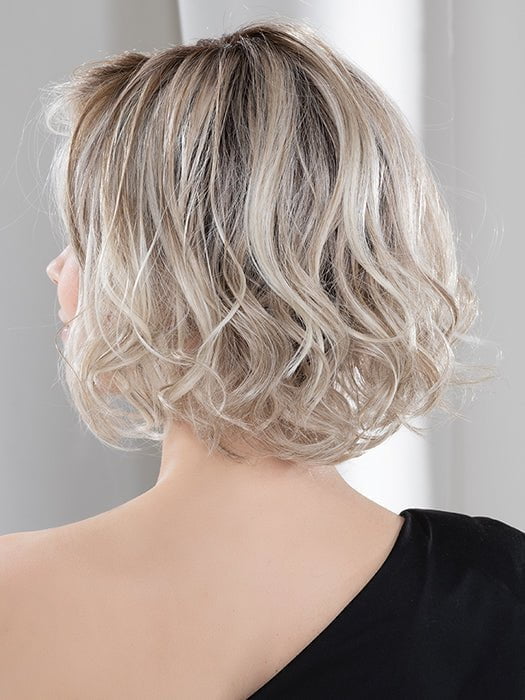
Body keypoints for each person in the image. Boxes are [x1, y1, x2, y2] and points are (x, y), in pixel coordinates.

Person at [1, 17, 523, 699]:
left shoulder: (14, 599)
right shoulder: (498, 589)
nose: (57, 268)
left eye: (82, 237)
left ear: (151, 276)